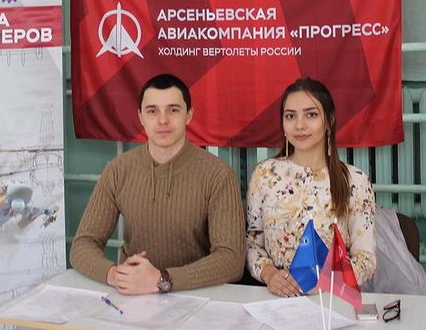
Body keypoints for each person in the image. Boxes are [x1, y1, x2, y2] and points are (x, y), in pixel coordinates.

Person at [70, 73, 245, 295]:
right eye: (152, 111)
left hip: (196, 295)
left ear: (189, 115)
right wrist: (115, 275)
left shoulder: (218, 175)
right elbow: (83, 244)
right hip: (133, 295)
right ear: (141, 117)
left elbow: (232, 260)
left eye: (173, 110)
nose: (163, 120)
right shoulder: (118, 170)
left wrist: (162, 279)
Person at [246, 77, 376, 297]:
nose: (299, 125)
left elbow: (366, 259)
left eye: (311, 115)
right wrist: (270, 275)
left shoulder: (355, 180)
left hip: (331, 299)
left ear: (329, 121)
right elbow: (252, 245)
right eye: (290, 116)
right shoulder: (264, 174)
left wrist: (325, 283)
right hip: (276, 297)